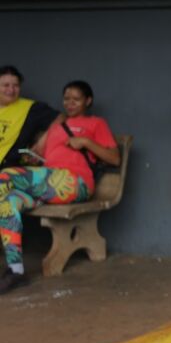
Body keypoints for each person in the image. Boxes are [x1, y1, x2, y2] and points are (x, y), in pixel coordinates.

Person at [0, 80, 119, 294]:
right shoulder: (56, 128)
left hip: (75, 183)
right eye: (66, 99)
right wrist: (34, 160)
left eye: (76, 99)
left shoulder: (96, 123)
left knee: (5, 176)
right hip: (48, 185)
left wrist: (86, 142)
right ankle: (16, 271)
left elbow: (114, 158)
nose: (70, 103)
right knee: (8, 203)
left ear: (88, 101)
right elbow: (44, 162)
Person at [0, 65, 62, 169]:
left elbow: (61, 117)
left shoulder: (32, 108)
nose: (11, 90)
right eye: (6, 85)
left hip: (8, 168)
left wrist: (42, 141)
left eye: (16, 85)